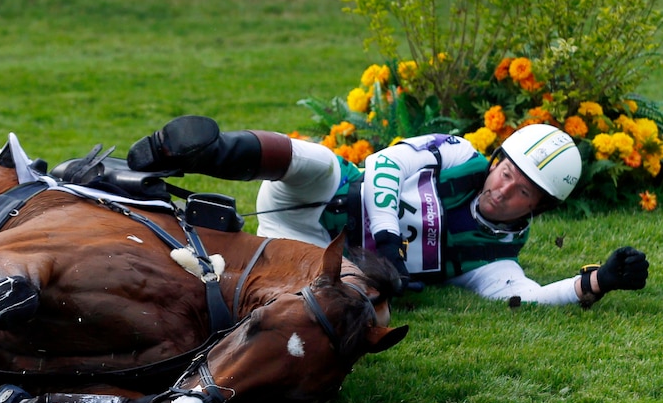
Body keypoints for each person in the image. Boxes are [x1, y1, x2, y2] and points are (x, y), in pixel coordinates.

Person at [126, 116, 648, 307]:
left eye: (524, 191)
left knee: (327, 295)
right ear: (497, 159)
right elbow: (381, 166)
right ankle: (200, 152)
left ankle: (175, 232)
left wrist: (596, 282)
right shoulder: (457, 152)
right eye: (507, 170)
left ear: (540, 206)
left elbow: (526, 299)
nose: (504, 189)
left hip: (316, 258)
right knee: (318, 159)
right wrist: (389, 242)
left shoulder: (496, 257)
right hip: (315, 198)